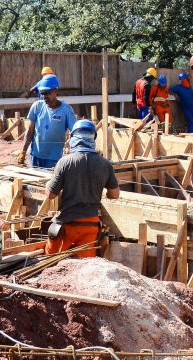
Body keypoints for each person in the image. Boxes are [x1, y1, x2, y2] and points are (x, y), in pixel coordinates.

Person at [44, 120, 120, 258]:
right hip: (90, 225)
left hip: (66, 224)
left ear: (73, 138)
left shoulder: (65, 162)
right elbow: (114, 195)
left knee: (50, 261)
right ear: (93, 139)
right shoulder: (105, 164)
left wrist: (48, 184)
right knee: (85, 267)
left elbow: (50, 194)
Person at [17, 74, 77, 169]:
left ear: (56, 91)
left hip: (53, 159)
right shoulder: (37, 106)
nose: (44, 96)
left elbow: (76, 133)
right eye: (42, 93)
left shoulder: (66, 110)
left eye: (47, 93)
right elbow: (30, 130)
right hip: (35, 156)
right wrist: (23, 151)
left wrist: (75, 154)